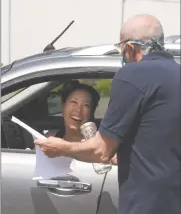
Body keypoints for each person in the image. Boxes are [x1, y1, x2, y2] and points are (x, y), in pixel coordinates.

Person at [34, 14, 180, 214]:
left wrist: (60, 148)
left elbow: (101, 151)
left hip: (146, 206)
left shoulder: (132, 75)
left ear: (129, 47)